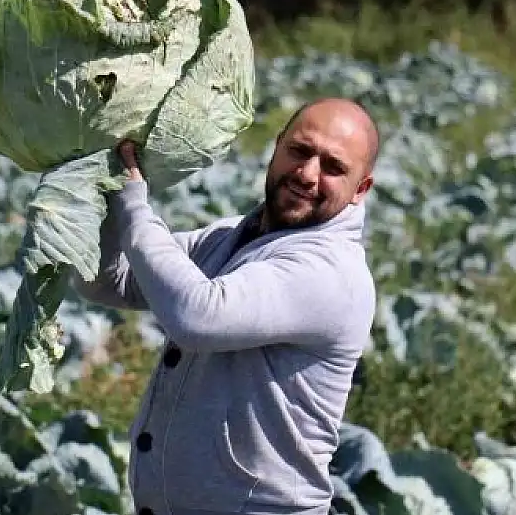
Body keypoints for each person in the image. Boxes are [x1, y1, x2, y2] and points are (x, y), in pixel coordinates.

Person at [72, 96, 379, 515]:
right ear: (277, 145)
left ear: (361, 189)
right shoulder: (231, 237)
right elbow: (112, 281)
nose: (308, 174)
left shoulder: (330, 272)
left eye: (333, 167)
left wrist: (132, 205)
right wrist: (103, 196)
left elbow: (198, 316)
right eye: (300, 151)